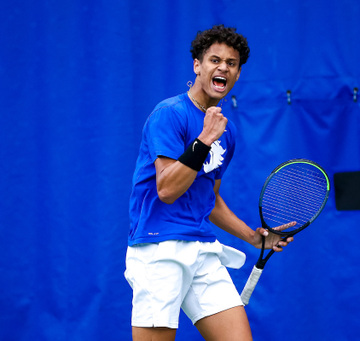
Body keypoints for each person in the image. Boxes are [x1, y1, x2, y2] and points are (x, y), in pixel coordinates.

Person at [125, 24, 294, 341]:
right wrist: (203, 139)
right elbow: (167, 190)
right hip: (159, 248)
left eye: (231, 64)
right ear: (197, 66)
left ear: (238, 74)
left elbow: (209, 199)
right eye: (215, 60)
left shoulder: (225, 132)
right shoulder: (170, 114)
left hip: (202, 246)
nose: (223, 68)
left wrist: (255, 238)